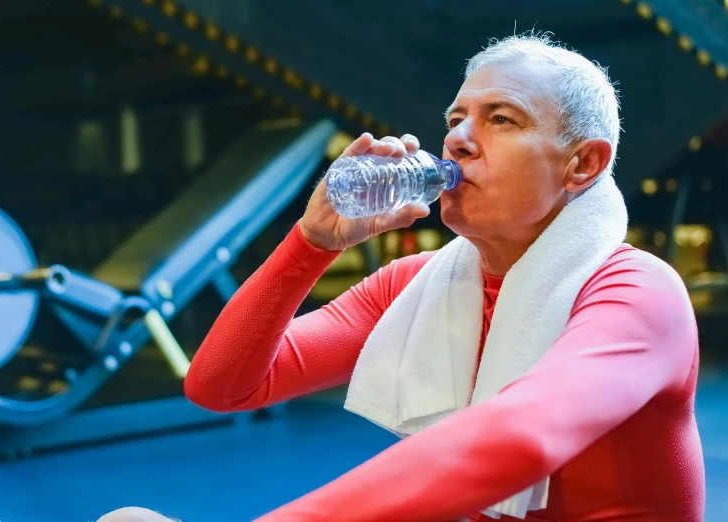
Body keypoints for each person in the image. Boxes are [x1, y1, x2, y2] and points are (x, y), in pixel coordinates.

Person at [108, 33, 705, 521]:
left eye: (500, 119)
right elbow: (221, 387)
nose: (458, 139)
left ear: (582, 164)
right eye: (456, 117)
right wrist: (309, 244)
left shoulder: (636, 293)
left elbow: (520, 436)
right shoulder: (416, 285)